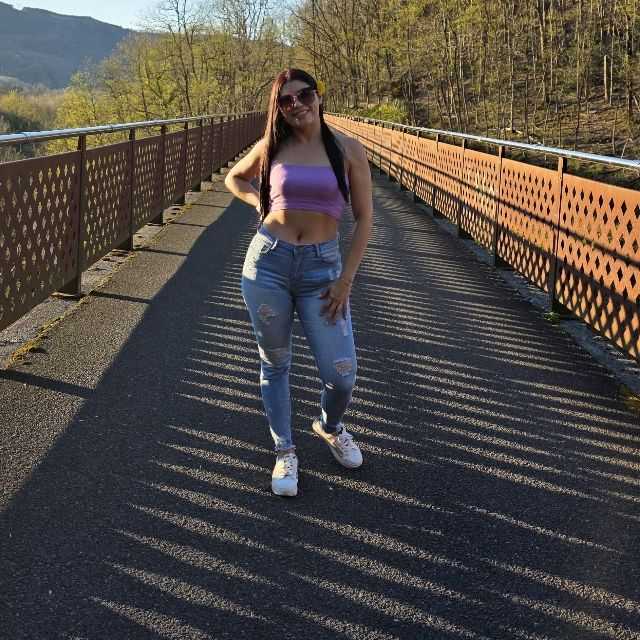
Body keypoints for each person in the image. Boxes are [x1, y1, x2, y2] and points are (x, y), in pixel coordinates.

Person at [224, 68, 373, 497]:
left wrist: (346, 280)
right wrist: (259, 203)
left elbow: (365, 218)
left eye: (304, 95)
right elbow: (235, 177)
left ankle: (330, 426)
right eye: (286, 100)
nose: (297, 105)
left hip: (322, 272)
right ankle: (284, 450)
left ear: (319, 96)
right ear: (279, 109)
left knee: (341, 375)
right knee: (275, 364)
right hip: (267, 265)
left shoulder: (347, 149)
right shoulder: (273, 145)